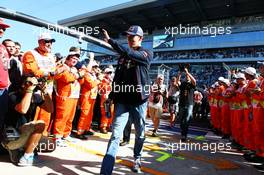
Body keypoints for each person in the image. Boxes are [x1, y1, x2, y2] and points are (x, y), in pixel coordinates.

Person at [100, 25, 153, 174]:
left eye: (132, 36)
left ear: (141, 38)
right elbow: (117, 78)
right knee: (115, 135)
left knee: (140, 133)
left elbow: (129, 53)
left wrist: (110, 41)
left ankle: (137, 158)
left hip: (139, 102)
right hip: (122, 101)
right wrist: (111, 97)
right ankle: (106, 171)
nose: (129, 39)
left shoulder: (147, 53)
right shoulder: (123, 57)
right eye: (127, 36)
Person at [3, 76, 52, 166]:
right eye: (30, 82)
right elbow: (23, 109)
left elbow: (50, 109)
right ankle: (26, 157)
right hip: (12, 137)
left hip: (25, 134)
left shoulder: (35, 96)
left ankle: (24, 149)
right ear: (23, 84)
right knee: (40, 124)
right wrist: (29, 90)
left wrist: (44, 91)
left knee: (51, 145)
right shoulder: (13, 96)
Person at [22, 32, 56, 136]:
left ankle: (42, 137)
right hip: (32, 91)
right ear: (39, 42)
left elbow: (55, 73)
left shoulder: (51, 56)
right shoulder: (30, 53)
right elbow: (33, 70)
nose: (49, 44)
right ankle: (27, 140)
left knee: (46, 115)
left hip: (47, 91)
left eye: (51, 41)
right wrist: (51, 73)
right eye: (46, 41)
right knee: (32, 117)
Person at [53, 50, 85, 146]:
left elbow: (81, 81)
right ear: (67, 59)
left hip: (74, 96)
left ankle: (66, 134)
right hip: (64, 96)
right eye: (73, 58)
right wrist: (79, 75)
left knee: (70, 117)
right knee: (62, 117)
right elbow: (67, 79)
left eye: (76, 58)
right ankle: (57, 137)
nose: (75, 60)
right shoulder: (62, 67)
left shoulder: (74, 69)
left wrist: (79, 75)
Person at [176, 68, 196, 142]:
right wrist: (180, 74)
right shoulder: (183, 84)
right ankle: (183, 133)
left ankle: (184, 135)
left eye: (188, 76)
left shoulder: (192, 85)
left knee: (187, 120)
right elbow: (177, 82)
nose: (187, 77)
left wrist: (188, 73)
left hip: (189, 104)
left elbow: (194, 81)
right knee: (181, 120)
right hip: (181, 104)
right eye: (186, 76)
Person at [0, 18, 10, 142]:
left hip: (4, 89)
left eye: (3, 28)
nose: (2, 30)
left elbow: (5, 67)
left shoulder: (3, 47)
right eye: (0, 27)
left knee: (1, 119)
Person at [99, 67, 114, 134]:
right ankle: (103, 127)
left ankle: (108, 126)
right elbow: (103, 88)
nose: (109, 74)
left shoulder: (111, 81)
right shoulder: (102, 80)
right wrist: (110, 83)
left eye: (110, 73)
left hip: (111, 99)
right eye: (108, 73)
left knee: (111, 113)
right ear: (105, 73)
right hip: (105, 100)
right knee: (106, 114)